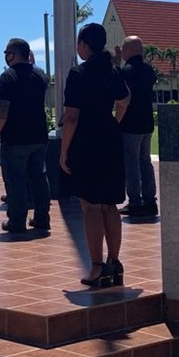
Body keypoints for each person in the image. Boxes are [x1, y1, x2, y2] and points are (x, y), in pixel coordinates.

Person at [59, 23, 130, 287]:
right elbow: (125, 100)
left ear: (84, 45)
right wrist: (115, 122)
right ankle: (114, 261)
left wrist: (63, 151)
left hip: (87, 142)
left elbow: (72, 116)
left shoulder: (79, 73)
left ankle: (97, 266)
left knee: (90, 206)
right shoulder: (113, 71)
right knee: (110, 205)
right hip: (110, 139)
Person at [0, 38, 51, 234]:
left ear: (13, 54)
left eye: (7, 53)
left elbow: (2, 109)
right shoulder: (40, 75)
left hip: (15, 138)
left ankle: (17, 221)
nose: (6, 57)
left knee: (15, 180)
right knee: (39, 179)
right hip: (39, 135)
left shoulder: (8, 77)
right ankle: (42, 218)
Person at [115, 36, 159, 218]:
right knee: (145, 161)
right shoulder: (149, 70)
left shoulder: (126, 71)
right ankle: (150, 200)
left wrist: (115, 122)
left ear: (129, 50)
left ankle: (134, 202)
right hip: (147, 123)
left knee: (131, 163)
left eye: (124, 48)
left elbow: (123, 100)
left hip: (130, 124)